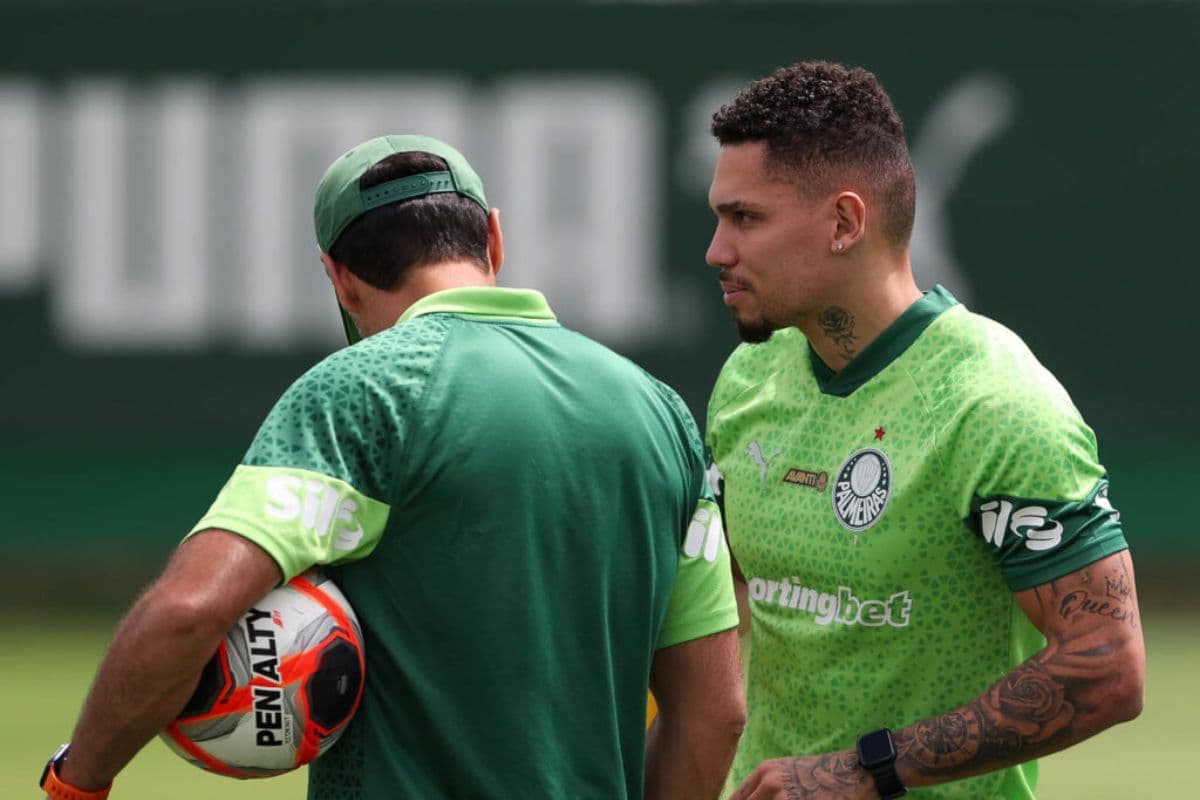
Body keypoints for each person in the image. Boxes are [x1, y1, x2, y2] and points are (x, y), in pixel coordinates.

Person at [41, 134, 745, 800]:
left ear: (340, 281)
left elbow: (189, 612)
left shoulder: (362, 391)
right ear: (495, 238)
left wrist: (79, 780)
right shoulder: (661, 416)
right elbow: (715, 713)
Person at [702, 62, 1144, 799]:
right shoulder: (749, 379)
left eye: (745, 218)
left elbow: (1108, 664)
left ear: (845, 222)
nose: (718, 250)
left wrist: (864, 771)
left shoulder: (995, 402)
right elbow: (727, 610)